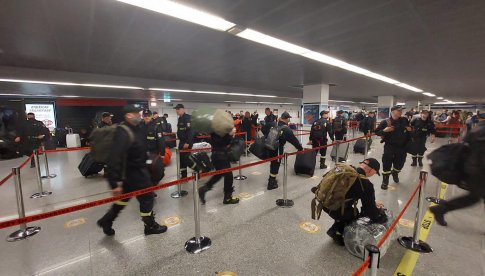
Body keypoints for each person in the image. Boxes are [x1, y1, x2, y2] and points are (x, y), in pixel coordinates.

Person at [97, 105, 167, 236]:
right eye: (136, 113)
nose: (139, 116)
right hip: (134, 173)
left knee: (123, 199)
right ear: (128, 115)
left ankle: (106, 220)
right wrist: (114, 183)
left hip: (137, 171)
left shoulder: (137, 128)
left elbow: (141, 148)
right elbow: (114, 157)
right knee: (147, 197)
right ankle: (150, 226)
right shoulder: (123, 132)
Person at [430, 121, 485, 226]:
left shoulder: (478, 128)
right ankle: (441, 209)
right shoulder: (481, 131)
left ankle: (441, 209)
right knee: (473, 197)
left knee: (474, 197)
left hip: (473, 168)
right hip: (478, 171)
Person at [325, 158, 387, 245]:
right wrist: (380, 215)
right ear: (371, 170)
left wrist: (373, 201)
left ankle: (338, 223)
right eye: (375, 172)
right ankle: (336, 232)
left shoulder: (347, 169)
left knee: (346, 208)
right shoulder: (366, 184)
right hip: (334, 208)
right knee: (354, 213)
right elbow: (370, 211)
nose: (374, 174)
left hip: (324, 201)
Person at [198, 128, 240, 205]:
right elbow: (223, 142)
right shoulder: (220, 129)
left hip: (216, 155)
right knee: (229, 176)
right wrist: (230, 134)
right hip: (221, 156)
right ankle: (227, 198)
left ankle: (203, 189)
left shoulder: (215, 127)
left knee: (219, 174)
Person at [374, 106, 411, 190]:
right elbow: (377, 132)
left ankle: (395, 172)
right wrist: (384, 131)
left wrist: (410, 130)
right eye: (398, 111)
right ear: (392, 112)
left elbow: (409, 129)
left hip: (402, 147)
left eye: (401, 111)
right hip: (389, 146)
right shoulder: (386, 122)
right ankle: (385, 181)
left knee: (400, 163)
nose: (400, 112)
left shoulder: (404, 120)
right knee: (387, 163)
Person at [267, 112, 303, 190]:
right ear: (286, 119)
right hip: (277, 149)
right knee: (276, 164)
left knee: (273, 163)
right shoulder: (286, 129)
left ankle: (272, 178)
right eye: (288, 119)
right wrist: (300, 148)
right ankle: (271, 183)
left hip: (270, 147)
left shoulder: (274, 125)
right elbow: (294, 140)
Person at [140, 110, 165, 196]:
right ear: (143, 116)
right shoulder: (140, 126)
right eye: (145, 115)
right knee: (145, 173)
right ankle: (148, 191)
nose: (146, 117)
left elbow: (161, 141)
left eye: (148, 115)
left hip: (153, 154)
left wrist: (162, 154)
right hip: (142, 154)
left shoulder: (156, 127)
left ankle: (151, 187)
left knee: (159, 173)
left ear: (151, 116)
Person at [175, 104, 194, 179]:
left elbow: (191, 131)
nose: (177, 110)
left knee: (186, 159)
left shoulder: (187, 118)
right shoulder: (180, 118)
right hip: (181, 142)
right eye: (176, 109)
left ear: (183, 109)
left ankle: (198, 170)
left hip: (186, 142)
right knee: (182, 159)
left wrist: (188, 143)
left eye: (178, 109)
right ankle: (184, 176)